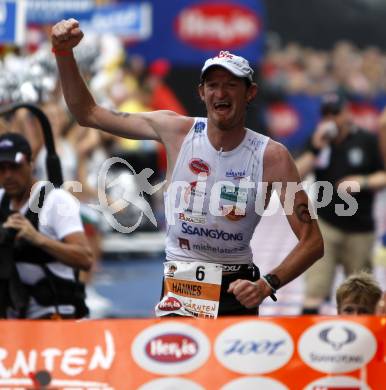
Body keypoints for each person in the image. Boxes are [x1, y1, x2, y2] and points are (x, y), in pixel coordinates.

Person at [51, 19, 323, 318]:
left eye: (231, 85)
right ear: (202, 92)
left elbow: (312, 242)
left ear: (250, 93)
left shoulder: (272, 156)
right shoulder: (175, 130)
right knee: (175, 365)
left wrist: (267, 284)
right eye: (213, 85)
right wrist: (63, 54)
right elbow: (87, 113)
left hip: (239, 286)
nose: (221, 93)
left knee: (232, 367)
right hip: (181, 282)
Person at [297, 93, 385, 314]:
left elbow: (384, 175)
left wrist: (362, 181)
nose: (332, 119)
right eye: (326, 114)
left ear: (347, 113)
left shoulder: (366, 140)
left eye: (336, 113)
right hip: (326, 225)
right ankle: (309, 340)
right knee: (315, 288)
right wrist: (315, 149)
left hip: (360, 229)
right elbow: (294, 174)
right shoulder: (319, 140)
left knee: (363, 297)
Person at [0, 132, 93, 319]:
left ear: (30, 163)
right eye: (1, 168)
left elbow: (85, 259)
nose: (8, 175)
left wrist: (37, 239)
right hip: (13, 314)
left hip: (53, 311)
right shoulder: (1, 199)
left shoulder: (56, 201)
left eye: (15, 167)